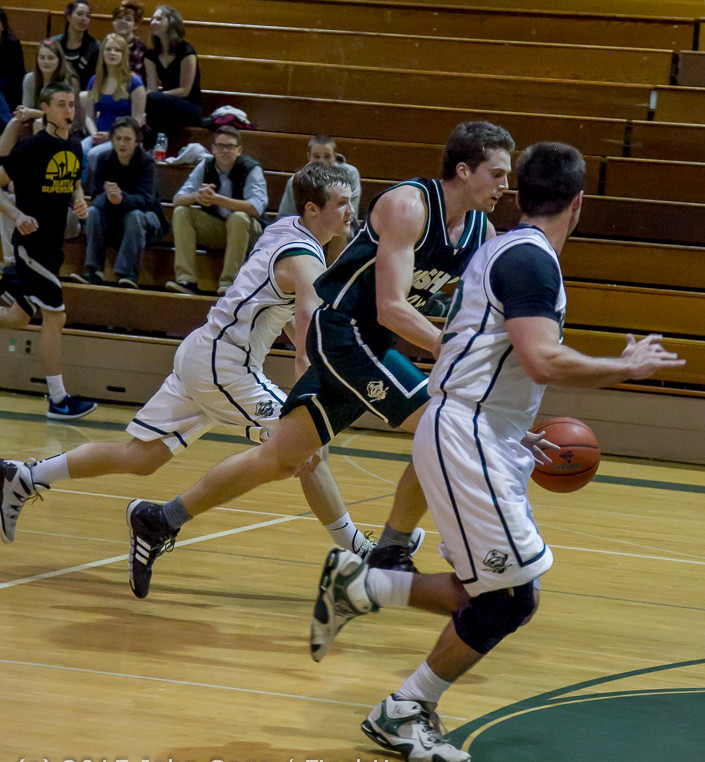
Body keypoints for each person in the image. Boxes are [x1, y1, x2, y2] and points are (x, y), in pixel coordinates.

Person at [307, 141, 686, 762]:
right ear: (579, 203)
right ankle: (403, 709)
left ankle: (365, 584)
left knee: (485, 588)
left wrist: (513, 426)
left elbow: (482, 352)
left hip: (483, 432)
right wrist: (626, 365)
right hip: (467, 435)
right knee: (511, 597)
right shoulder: (530, 260)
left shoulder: (504, 248)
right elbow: (541, 360)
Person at [107, 120, 514, 593]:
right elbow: (391, 306)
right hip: (343, 334)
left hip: (373, 344)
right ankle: (392, 552)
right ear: (463, 171)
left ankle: (159, 520)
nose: (505, 185)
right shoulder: (408, 206)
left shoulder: (480, 230)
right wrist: (454, 347)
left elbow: (471, 305)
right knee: (442, 426)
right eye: (497, 173)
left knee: (281, 457)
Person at [1, 162, 374, 599]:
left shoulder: (285, 229)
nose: (350, 211)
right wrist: (309, 391)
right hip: (225, 365)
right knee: (303, 445)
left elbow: (285, 316)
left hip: (205, 353)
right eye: (342, 203)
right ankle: (363, 552)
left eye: (351, 201)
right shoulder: (305, 259)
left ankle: (26, 475)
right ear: (312, 209)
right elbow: (308, 332)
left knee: (142, 457)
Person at [0, 82, 97, 421]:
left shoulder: (74, 145)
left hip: (54, 247)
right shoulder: (30, 148)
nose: (68, 110)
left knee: (17, 317)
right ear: (45, 108)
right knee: (55, 317)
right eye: (61, 104)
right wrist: (17, 215)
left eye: (71, 104)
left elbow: (74, 182)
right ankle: (58, 400)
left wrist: (79, 201)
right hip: (32, 248)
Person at [166, 125, 267, 296]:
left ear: (239, 150)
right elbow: (178, 200)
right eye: (220, 146)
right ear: (213, 149)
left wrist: (217, 199)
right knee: (181, 212)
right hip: (220, 229)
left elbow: (255, 208)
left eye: (230, 146)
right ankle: (186, 280)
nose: (225, 150)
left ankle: (229, 283)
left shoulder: (251, 168)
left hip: (251, 233)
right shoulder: (206, 165)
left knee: (238, 217)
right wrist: (198, 196)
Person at [72, 116, 167, 288]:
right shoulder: (103, 160)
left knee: (134, 216)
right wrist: (109, 198)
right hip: (115, 221)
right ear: (112, 140)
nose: (122, 143)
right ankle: (95, 271)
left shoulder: (147, 164)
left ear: (137, 141)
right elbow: (96, 197)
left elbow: (146, 201)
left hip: (148, 221)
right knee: (92, 212)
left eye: (127, 139)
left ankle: (128, 275)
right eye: (118, 138)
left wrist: (121, 198)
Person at [277, 134, 361, 264]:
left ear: (335, 157)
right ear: (309, 157)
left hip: (343, 226)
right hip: (308, 226)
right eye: (316, 157)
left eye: (327, 156)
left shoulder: (350, 174)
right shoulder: (297, 180)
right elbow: (285, 216)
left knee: (337, 226)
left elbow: (349, 212)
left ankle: (333, 275)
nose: (322, 161)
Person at [81, 33, 146, 188]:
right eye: (108, 49)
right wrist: (93, 133)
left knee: (94, 155)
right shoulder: (94, 81)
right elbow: (89, 116)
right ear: (102, 53)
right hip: (98, 134)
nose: (112, 53)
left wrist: (111, 136)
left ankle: (99, 191)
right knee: (80, 149)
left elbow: (136, 121)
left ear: (124, 55)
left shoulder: (134, 83)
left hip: (124, 138)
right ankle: (79, 192)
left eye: (117, 50)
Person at [0, 39, 82, 157]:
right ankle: (2, 162)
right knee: (15, 122)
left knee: (39, 123)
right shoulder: (29, 79)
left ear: (59, 60)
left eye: (50, 58)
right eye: (42, 57)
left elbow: (64, 117)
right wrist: (23, 113)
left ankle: (38, 163)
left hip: (66, 128)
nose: (45, 62)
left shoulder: (69, 82)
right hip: (35, 123)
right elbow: (27, 109)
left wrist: (33, 113)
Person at [143, 5, 201, 150]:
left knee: (154, 101)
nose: (153, 22)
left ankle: (152, 148)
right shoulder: (151, 55)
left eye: (158, 19)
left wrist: (157, 96)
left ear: (171, 22)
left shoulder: (186, 51)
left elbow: (185, 90)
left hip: (189, 106)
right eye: (152, 19)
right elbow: (151, 88)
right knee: (155, 106)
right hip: (164, 105)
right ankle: (158, 148)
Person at [51, 1, 99, 91]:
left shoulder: (96, 47)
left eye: (88, 16)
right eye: (79, 14)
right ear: (68, 16)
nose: (84, 19)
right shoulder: (54, 44)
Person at [0, 7, 24, 130]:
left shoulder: (12, 44)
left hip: (10, 88)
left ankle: (8, 126)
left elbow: (17, 76)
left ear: (3, 26)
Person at [111, 1, 147, 82]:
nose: (122, 22)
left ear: (136, 25)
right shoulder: (106, 45)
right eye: (119, 18)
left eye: (128, 19)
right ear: (113, 22)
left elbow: (140, 80)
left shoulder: (141, 49)